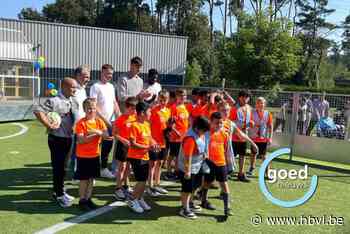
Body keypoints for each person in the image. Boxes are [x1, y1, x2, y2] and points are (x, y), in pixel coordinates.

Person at [33, 77, 77, 208]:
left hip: (69, 138)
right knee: (58, 167)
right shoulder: (54, 100)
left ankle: (59, 191)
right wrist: (48, 124)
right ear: (64, 87)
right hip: (57, 139)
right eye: (72, 87)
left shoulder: (73, 100)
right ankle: (59, 195)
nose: (75, 89)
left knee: (64, 167)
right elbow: (37, 111)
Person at [75, 98, 112, 210]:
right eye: (89, 108)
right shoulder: (81, 123)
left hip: (95, 155)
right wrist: (96, 133)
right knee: (84, 179)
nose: (91, 110)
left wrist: (97, 132)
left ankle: (88, 198)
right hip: (83, 156)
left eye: (93, 108)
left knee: (91, 179)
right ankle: (82, 200)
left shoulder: (99, 122)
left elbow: (106, 135)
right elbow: (81, 140)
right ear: (84, 109)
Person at [127, 101, 159, 213]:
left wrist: (154, 143)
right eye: (149, 111)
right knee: (141, 181)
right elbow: (132, 143)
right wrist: (148, 147)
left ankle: (139, 198)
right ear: (142, 113)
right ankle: (132, 200)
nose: (151, 113)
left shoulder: (146, 124)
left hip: (144, 156)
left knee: (144, 180)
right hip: (135, 157)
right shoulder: (134, 125)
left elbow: (150, 138)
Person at [90, 64, 120, 179]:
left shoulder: (111, 86)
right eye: (107, 73)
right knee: (95, 146)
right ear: (101, 73)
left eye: (111, 74)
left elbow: (114, 102)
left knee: (108, 146)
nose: (109, 76)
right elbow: (93, 105)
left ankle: (103, 168)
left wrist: (119, 116)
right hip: (98, 122)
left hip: (110, 122)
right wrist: (105, 120)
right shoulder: (95, 86)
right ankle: (93, 170)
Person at [200, 112, 233, 217]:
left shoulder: (225, 134)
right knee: (207, 182)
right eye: (216, 123)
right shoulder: (205, 134)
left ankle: (227, 208)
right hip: (209, 163)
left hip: (221, 163)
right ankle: (204, 201)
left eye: (221, 123)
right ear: (211, 122)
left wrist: (229, 164)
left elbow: (227, 150)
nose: (219, 125)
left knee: (224, 184)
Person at [177, 116, 210, 220]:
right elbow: (188, 157)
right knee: (187, 189)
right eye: (203, 130)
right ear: (197, 128)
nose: (204, 133)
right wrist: (187, 171)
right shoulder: (190, 138)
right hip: (188, 168)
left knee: (195, 186)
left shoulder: (201, 134)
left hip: (197, 166)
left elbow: (202, 146)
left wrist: (204, 154)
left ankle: (190, 203)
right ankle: (184, 209)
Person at [147, 91, 171, 197]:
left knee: (160, 164)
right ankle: (150, 186)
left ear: (168, 100)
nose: (163, 102)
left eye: (165, 99)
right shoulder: (154, 111)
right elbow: (148, 125)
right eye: (161, 99)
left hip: (163, 142)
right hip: (154, 142)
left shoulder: (168, 111)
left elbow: (167, 127)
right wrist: (151, 140)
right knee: (152, 164)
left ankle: (157, 184)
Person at [113, 97, 138, 200]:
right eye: (131, 109)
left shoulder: (135, 117)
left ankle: (126, 185)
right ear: (126, 108)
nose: (133, 111)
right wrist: (123, 140)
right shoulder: (120, 119)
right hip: (122, 146)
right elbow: (114, 134)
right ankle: (118, 188)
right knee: (121, 167)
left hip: (132, 146)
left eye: (134, 109)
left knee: (129, 167)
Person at [70, 65, 91, 182]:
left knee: (80, 151)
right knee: (73, 153)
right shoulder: (73, 88)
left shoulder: (83, 88)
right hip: (73, 126)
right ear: (78, 76)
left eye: (88, 77)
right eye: (85, 76)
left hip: (82, 126)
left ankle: (78, 173)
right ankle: (75, 175)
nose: (87, 79)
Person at [229, 90, 254, 182]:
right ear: (239, 97)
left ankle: (241, 173)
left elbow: (250, 120)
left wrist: (251, 123)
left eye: (247, 97)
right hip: (234, 136)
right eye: (243, 97)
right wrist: (244, 126)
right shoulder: (234, 108)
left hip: (244, 136)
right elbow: (230, 122)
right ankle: (228, 172)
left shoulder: (249, 108)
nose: (245, 99)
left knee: (242, 155)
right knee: (231, 155)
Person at [165, 89, 190, 180]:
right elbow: (169, 123)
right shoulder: (174, 108)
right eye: (182, 95)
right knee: (172, 155)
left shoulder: (184, 106)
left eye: (185, 95)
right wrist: (176, 132)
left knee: (179, 155)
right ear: (177, 97)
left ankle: (176, 171)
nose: (184, 97)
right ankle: (168, 171)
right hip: (176, 137)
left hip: (183, 136)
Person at [247, 97, 273, 177]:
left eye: (261, 103)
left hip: (263, 138)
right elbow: (248, 123)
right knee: (253, 153)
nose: (260, 104)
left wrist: (270, 137)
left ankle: (267, 171)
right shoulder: (251, 112)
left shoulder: (268, 114)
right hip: (254, 137)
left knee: (264, 156)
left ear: (264, 104)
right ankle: (251, 168)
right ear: (256, 104)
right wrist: (250, 124)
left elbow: (270, 126)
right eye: (258, 103)